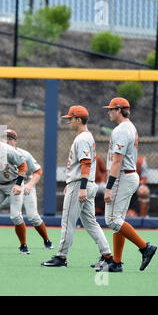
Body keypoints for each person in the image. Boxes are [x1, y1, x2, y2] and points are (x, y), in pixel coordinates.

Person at [41, 105, 112, 268]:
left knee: (68, 221)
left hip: (81, 184)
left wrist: (81, 187)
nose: (68, 122)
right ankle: (107, 255)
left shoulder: (82, 138)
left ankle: (61, 257)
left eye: (70, 119)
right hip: (85, 184)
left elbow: (85, 164)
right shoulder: (86, 136)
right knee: (90, 223)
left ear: (78, 120)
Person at [99, 97, 157, 273]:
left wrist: (108, 187)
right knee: (118, 220)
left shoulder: (123, 129)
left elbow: (117, 160)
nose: (109, 112)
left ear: (118, 110)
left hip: (122, 177)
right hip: (126, 176)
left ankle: (145, 247)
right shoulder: (127, 127)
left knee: (112, 220)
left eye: (111, 109)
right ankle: (116, 262)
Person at [0, 129, 53, 250]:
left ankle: (47, 240)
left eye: (10, 139)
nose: (7, 141)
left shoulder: (24, 154)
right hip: (8, 187)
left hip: (25, 186)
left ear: (15, 141)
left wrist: (30, 184)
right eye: (5, 139)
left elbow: (38, 171)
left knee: (33, 217)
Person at [0, 124, 31, 254]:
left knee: (15, 216)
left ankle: (23, 244)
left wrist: (19, 184)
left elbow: (23, 166)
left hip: (14, 183)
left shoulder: (8, 149)